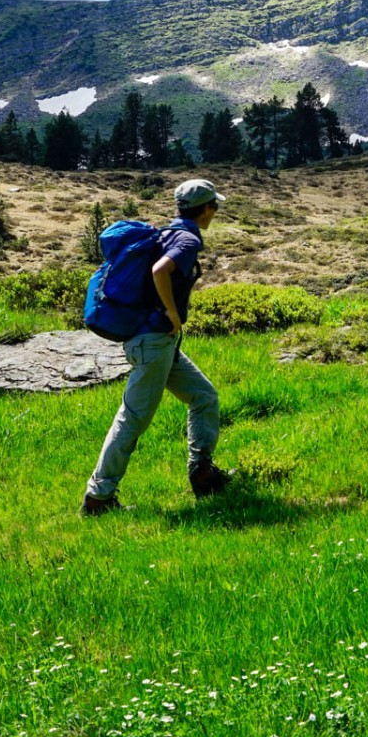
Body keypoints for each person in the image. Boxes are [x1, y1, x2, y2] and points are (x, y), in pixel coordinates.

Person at [81, 179, 231, 516]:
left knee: (204, 396)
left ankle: (203, 474)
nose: (215, 212)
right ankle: (98, 498)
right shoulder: (188, 238)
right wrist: (172, 312)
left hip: (154, 342)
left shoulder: (167, 231)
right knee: (131, 420)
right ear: (206, 209)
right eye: (214, 206)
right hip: (153, 343)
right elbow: (160, 270)